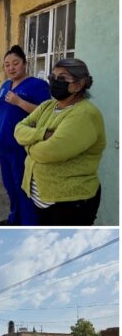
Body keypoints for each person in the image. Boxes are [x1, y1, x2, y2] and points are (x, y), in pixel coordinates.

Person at [14, 58, 105, 225]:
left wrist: (28, 145)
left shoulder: (85, 114)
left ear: (79, 84)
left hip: (70, 201)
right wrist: (42, 134)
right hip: (42, 198)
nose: (55, 82)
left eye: (62, 78)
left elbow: (48, 152)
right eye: (53, 77)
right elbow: (18, 129)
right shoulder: (48, 106)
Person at [0, 45, 51, 226]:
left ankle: (28, 223)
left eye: (15, 63)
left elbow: (46, 114)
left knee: (23, 187)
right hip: (3, 143)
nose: (11, 68)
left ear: (25, 63)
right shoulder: (5, 85)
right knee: (10, 185)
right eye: (7, 65)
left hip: (21, 146)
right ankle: (14, 218)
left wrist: (19, 102)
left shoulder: (37, 85)